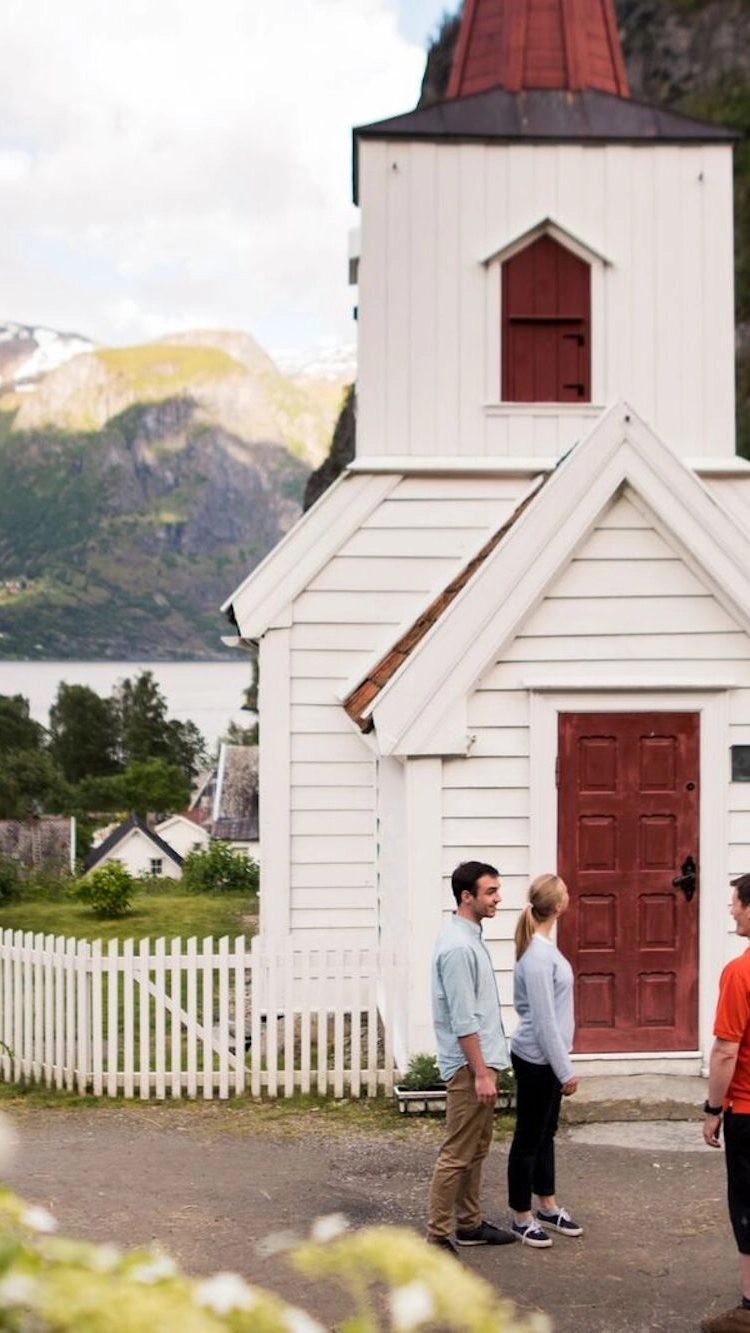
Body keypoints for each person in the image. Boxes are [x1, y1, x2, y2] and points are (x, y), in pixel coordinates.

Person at [426, 860, 515, 1254]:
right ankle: (437, 1235)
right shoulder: (459, 947)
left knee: (476, 1149)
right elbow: (463, 1019)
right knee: (457, 1152)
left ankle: (469, 1223)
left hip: (480, 1064)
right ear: (467, 897)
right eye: (491, 892)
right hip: (468, 1067)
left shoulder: (469, 936)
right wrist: (480, 1072)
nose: (498, 898)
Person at [507, 873, 582, 1248]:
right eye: (565, 892)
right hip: (537, 1059)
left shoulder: (544, 949)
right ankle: (522, 1216)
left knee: (545, 1134)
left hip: (548, 1059)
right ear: (557, 906)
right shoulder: (537, 957)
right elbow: (543, 1020)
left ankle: (547, 1204)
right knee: (528, 1137)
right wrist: (565, 1069)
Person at [701, 874, 750, 1333]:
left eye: (736, 904)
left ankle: (749, 1309)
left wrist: (713, 1109)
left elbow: (725, 1050)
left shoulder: (740, 972)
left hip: (748, 1110)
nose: (731, 911)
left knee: (747, 1203)